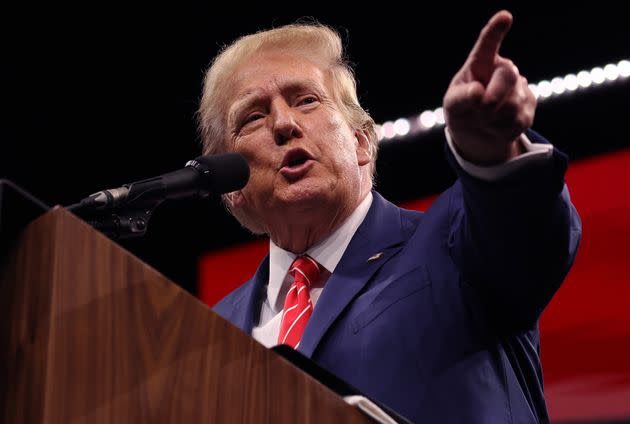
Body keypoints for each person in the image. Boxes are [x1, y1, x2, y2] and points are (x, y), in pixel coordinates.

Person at [198, 10, 581, 423]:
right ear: (230, 186)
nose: (284, 124)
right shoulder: (206, 337)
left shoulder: (454, 244)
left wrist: (493, 154)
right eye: (253, 116)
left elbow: (526, 233)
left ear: (361, 142)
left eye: (306, 100)